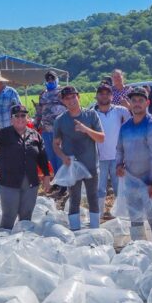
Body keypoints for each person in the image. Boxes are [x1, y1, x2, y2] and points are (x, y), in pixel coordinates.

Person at [0, 105, 52, 229]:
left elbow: (42, 157)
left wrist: (46, 176)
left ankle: (23, 242)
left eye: (23, 115)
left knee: (26, 216)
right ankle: (4, 241)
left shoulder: (35, 135)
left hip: (31, 182)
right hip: (8, 182)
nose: (20, 118)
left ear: (28, 118)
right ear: (11, 119)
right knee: (9, 215)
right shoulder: (3, 133)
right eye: (17, 116)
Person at [115, 87, 152, 246]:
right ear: (129, 103)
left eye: (140, 100)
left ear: (147, 103)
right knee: (135, 219)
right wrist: (118, 165)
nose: (137, 104)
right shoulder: (125, 127)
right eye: (134, 100)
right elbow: (119, 149)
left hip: (150, 181)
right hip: (130, 180)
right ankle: (140, 252)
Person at [53, 85, 105, 230]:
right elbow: (56, 144)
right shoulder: (60, 120)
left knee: (92, 197)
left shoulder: (91, 115)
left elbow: (101, 138)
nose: (71, 101)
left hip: (91, 165)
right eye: (67, 99)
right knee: (74, 198)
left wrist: (85, 129)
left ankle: (95, 229)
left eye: (73, 97)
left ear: (78, 97)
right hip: (72, 167)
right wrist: (63, 156)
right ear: (63, 102)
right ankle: (75, 230)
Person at [92, 82, 130, 216]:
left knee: (118, 187)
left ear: (112, 96)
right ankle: (98, 214)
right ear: (96, 96)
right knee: (100, 188)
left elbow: (131, 126)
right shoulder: (91, 113)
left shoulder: (121, 111)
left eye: (107, 93)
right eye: (101, 93)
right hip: (98, 157)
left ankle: (121, 213)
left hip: (117, 157)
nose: (104, 96)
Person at [35, 71, 66, 184]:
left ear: (56, 79)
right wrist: (36, 124)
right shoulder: (42, 94)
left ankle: (63, 183)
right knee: (51, 156)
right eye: (48, 79)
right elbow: (39, 111)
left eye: (52, 78)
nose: (50, 81)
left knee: (60, 157)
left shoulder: (62, 92)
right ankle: (57, 182)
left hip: (60, 131)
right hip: (46, 130)